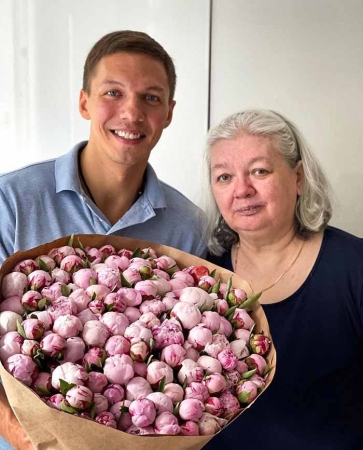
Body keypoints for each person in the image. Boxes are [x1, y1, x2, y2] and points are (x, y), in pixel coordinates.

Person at [0, 30, 207, 450]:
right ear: (84, 102)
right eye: (113, 92)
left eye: (150, 98)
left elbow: (189, 355)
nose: (131, 113)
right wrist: (24, 436)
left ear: (168, 113)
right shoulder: (12, 201)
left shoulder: (189, 225)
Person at [203, 109, 363, 450]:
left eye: (259, 171)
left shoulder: (354, 267)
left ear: (299, 177)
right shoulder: (201, 276)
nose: (242, 190)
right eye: (224, 177)